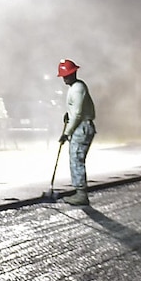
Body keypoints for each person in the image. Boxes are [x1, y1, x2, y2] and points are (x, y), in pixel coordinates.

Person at [57, 59, 97, 206]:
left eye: (66, 75)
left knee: (76, 160)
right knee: (76, 159)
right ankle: (79, 192)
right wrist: (69, 113)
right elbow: (77, 110)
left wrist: (67, 132)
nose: (64, 78)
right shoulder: (77, 86)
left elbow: (79, 113)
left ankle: (81, 194)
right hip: (82, 126)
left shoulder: (77, 88)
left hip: (81, 127)